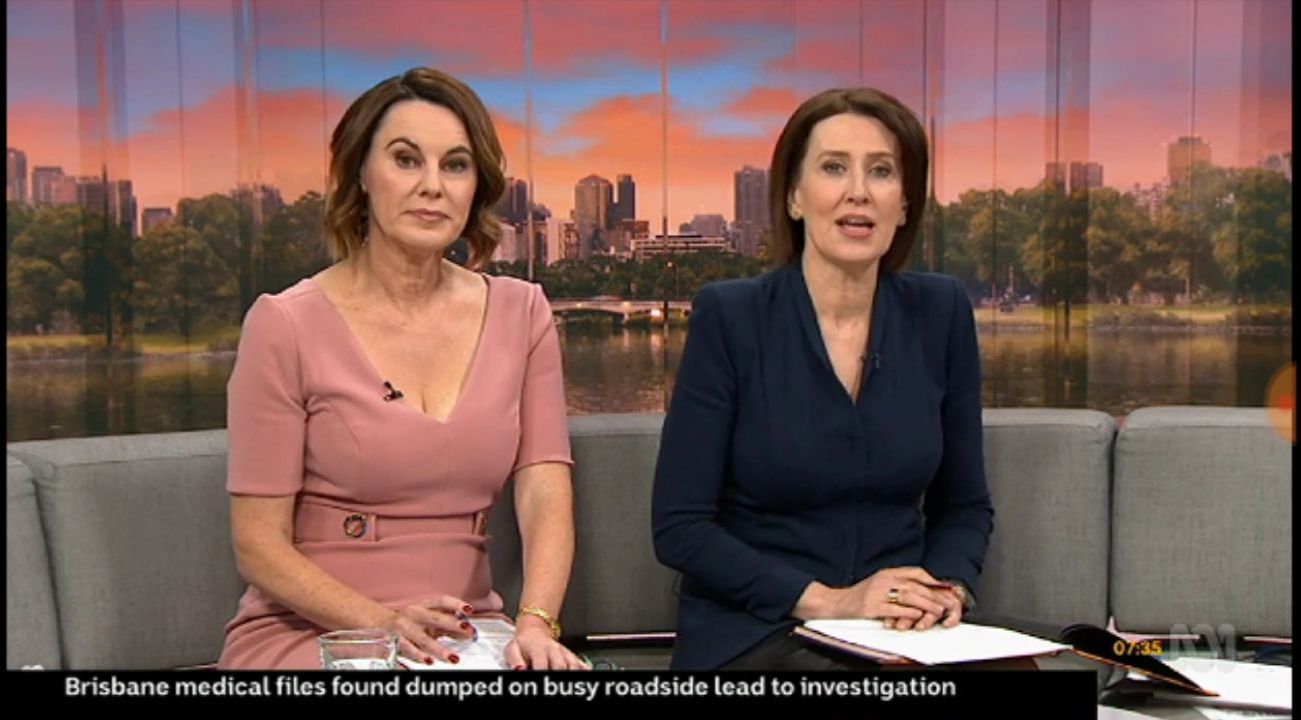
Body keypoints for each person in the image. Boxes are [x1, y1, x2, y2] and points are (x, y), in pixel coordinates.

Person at [218, 67, 586, 670]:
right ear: (361, 174)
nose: (432, 186)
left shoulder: (523, 313)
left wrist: (535, 626)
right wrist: (386, 624)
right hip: (317, 634)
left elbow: (544, 491)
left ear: (477, 186)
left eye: (456, 165)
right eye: (406, 159)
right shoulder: (284, 325)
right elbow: (257, 544)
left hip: (466, 634)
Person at [652, 87, 994, 670]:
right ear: (794, 196)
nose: (858, 191)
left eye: (881, 171)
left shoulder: (940, 313)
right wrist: (833, 602)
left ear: (904, 204)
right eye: (834, 167)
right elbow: (681, 528)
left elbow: (964, 506)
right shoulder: (732, 317)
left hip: (899, 634)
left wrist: (942, 591)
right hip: (758, 631)